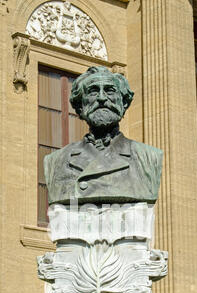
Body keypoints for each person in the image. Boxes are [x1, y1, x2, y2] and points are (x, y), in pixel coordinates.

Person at [44, 66, 163, 205]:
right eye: (93, 91)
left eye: (110, 91)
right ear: (80, 105)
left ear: (123, 103)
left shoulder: (148, 157)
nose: (101, 97)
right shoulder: (56, 161)